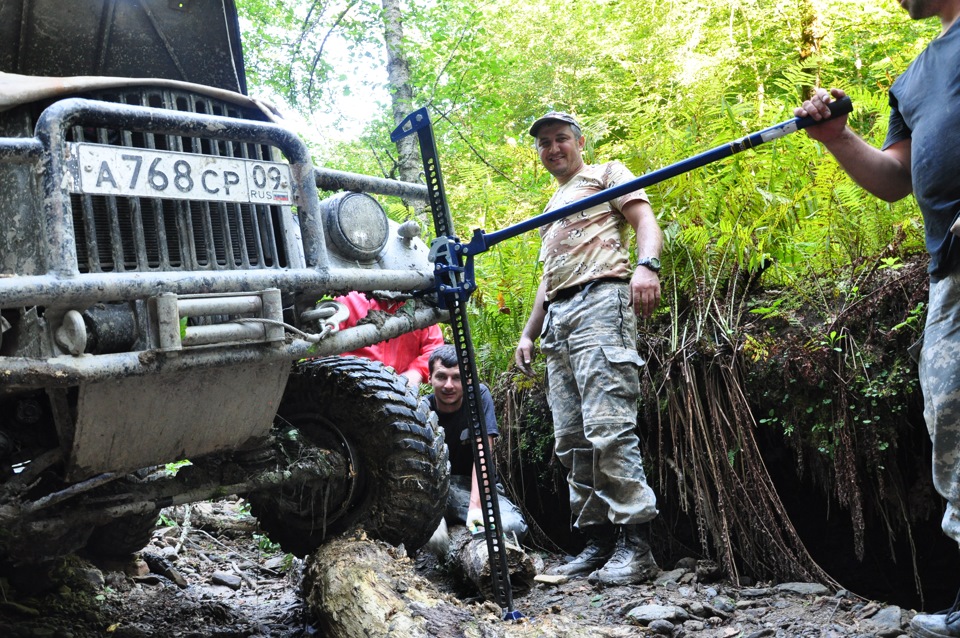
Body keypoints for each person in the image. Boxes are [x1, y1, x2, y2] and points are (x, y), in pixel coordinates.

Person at [794, 2, 960, 636]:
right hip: (949, 268)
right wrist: (837, 137)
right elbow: (895, 178)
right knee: (949, 420)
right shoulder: (913, 79)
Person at [513, 111, 662, 585]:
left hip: (602, 300)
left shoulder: (605, 173)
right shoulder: (553, 204)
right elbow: (549, 277)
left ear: (579, 142)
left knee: (609, 425)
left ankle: (635, 545)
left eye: (561, 139)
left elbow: (644, 219)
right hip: (559, 316)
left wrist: (648, 266)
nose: (552, 148)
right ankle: (597, 543)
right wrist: (527, 333)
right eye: (544, 143)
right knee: (571, 437)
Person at [424, 344, 528, 543]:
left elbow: (483, 454)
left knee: (513, 527)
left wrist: (476, 507)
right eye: (441, 376)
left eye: (456, 377)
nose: (448, 385)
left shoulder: (478, 396)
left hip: (477, 486)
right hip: (440, 488)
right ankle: (442, 520)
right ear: (429, 379)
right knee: (431, 536)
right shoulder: (424, 409)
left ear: (468, 379)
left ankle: (461, 523)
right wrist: (430, 508)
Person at [335, 290, 444, 388]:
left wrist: (416, 371)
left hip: (400, 388)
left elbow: (434, 347)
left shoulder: (418, 305)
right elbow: (325, 344)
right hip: (352, 385)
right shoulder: (349, 299)